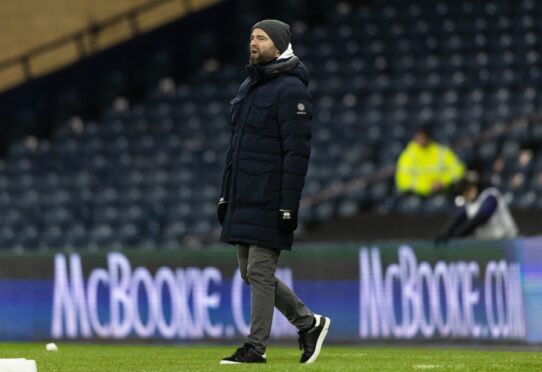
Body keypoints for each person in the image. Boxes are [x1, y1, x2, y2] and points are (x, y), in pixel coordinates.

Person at [216, 19, 330, 365]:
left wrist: (288, 206)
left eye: (261, 38)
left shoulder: (292, 90)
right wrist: (226, 193)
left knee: (261, 273)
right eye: (251, 36)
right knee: (249, 273)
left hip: (269, 198)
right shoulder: (250, 86)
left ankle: (255, 347)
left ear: (278, 45)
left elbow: (297, 154)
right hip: (243, 196)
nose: (253, 42)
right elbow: (234, 150)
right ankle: (309, 324)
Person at [435, 171, 518, 244]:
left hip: (508, 240)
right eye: (465, 190)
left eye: (469, 188)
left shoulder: (491, 195)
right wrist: (446, 232)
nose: (467, 192)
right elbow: (457, 217)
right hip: (488, 244)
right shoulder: (468, 202)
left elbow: (482, 216)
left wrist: (459, 233)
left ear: (476, 186)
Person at [395, 124, 465, 196]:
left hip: (443, 192)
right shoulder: (408, 155)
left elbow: (458, 169)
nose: (421, 139)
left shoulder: (441, 151)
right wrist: (428, 186)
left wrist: (443, 181)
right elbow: (402, 181)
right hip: (418, 195)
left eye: (423, 136)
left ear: (428, 136)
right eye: (418, 136)